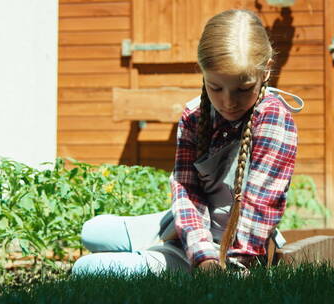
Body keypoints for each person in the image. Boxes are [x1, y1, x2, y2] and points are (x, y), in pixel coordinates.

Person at [72, 9, 303, 275]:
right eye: (215, 87)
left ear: (266, 71)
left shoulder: (272, 118)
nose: (228, 102)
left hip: (231, 246)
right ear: (202, 73)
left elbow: (262, 204)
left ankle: (162, 255)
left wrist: (229, 266)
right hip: (193, 231)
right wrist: (201, 252)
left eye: (242, 89)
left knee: (87, 268)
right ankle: (167, 242)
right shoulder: (194, 115)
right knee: (94, 231)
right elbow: (186, 189)